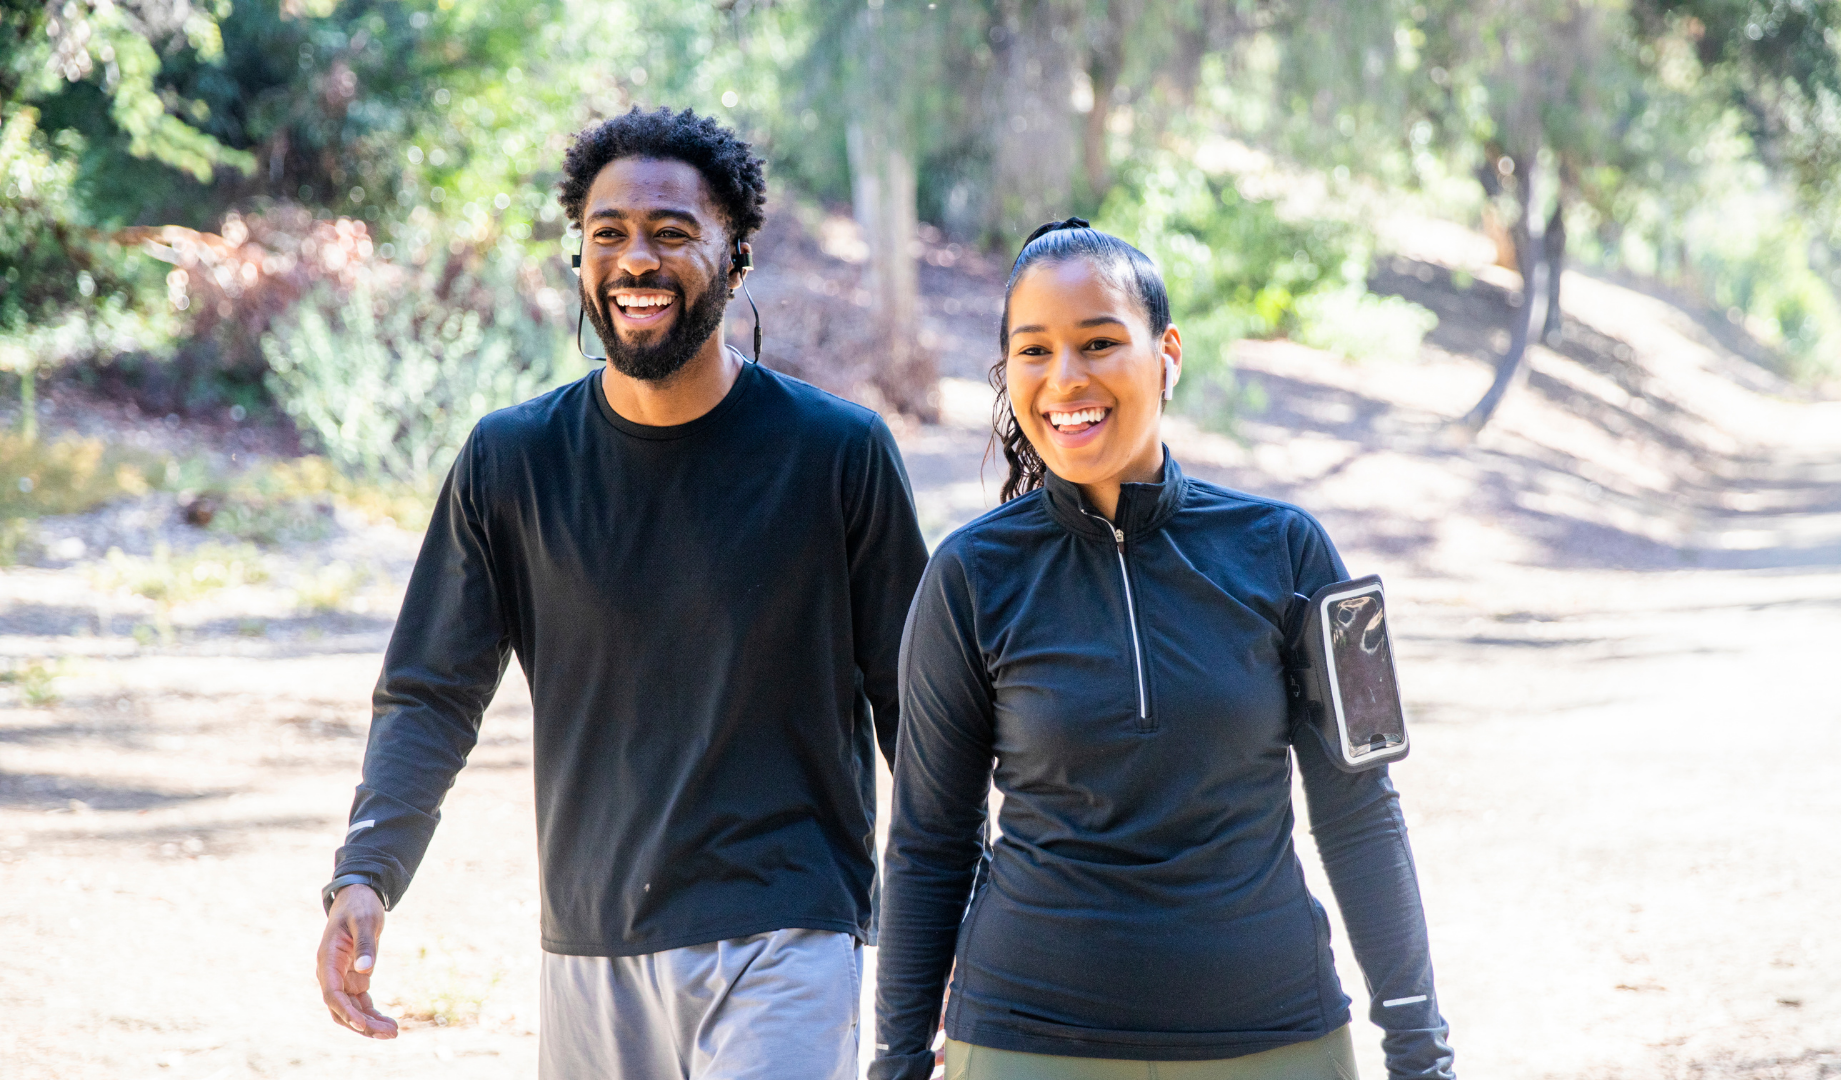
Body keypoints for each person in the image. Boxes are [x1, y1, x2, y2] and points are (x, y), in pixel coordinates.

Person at [314, 107, 929, 1080]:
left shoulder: (836, 455)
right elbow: (433, 689)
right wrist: (367, 871)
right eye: (609, 235)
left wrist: (955, 924)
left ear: (737, 255)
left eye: (673, 233)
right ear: (580, 258)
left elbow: (915, 705)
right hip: (589, 936)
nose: (636, 260)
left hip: (788, 927)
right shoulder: (512, 461)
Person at [870, 220, 1455, 1080]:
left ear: (1166, 352)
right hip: (1027, 1044)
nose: (1065, 377)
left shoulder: (1292, 551)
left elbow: (1362, 811)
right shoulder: (967, 575)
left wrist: (1419, 1048)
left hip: (1277, 1036)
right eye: (1034, 352)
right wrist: (895, 1059)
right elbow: (929, 841)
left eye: (1099, 342)